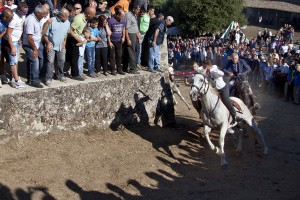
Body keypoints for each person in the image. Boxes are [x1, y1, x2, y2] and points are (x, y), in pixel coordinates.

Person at [195, 60, 237, 124]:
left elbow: (222, 73)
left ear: (206, 66)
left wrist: (212, 71)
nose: (202, 67)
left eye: (204, 66)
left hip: (222, 89)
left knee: (226, 100)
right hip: (213, 90)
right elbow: (198, 69)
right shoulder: (204, 69)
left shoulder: (214, 70)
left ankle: (234, 115)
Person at [2, 3, 27, 88]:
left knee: (15, 61)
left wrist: (20, 37)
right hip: (12, 42)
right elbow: (9, 34)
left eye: (26, 11)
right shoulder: (13, 19)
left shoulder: (21, 14)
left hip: (17, 40)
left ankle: (15, 78)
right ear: (19, 10)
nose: (25, 13)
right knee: (13, 62)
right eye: (23, 11)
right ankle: (16, 81)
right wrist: (12, 47)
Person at [22, 4, 48, 88]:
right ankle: (34, 81)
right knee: (35, 61)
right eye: (43, 14)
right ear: (38, 13)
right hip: (29, 45)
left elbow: (39, 34)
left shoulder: (38, 19)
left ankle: (30, 79)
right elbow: (29, 37)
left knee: (31, 62)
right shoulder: (30, 20)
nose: (44, 17)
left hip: (35, 44)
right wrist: (35, 49)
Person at [43, 8, 70, 83]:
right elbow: (45, 35)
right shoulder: (51, 21)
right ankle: (48, 78)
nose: (68, 18)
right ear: (61, 15)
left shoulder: (67, 22)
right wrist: (47, 43)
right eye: (66, 16)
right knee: (50, 61)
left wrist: (64, 41)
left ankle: (60, 75)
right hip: (51, 44)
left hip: (61, 45)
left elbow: (66, 33)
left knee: (61, 60)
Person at [68, 6, 96, 80]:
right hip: (73, 38)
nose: (94, 16)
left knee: (76, 56)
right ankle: (75, 74)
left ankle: (76, 73)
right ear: (89, 14)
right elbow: (70, 30)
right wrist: (77, 38)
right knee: (75, 57)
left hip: (78, 38)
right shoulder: (79, 19)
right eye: (93, 14)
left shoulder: (85, 19)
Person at [107, 5, 126, 75]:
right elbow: (108, 31)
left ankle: (119, 69)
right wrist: (109, 41)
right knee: (112, 56)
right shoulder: (111, 21)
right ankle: (113, 70)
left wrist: (123, 37)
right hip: (112, 41)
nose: (123, 18)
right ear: (118, 15)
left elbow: (123, 28)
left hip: (119, 40)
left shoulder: (123, 21)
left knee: (119, 55)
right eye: (122, 16)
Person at [124, 3, 141, 74]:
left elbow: (135, 28)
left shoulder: (134, 15)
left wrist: (139, 37)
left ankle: (132, 67)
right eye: (138, 9)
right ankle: (132, 69)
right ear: (133, 9)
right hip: (130, 34)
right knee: (131, 52)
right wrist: (128, 39)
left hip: (134, 34)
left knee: (133, 51)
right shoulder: (128, 16)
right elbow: (126, 28)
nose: (139, 11)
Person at [0, 8, 14, 87]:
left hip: (5, 42)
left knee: (6, 59)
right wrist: (5, 32)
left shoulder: (8, 20)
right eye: (9, 18)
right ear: (4, 17)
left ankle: (3, 74)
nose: (10, 20)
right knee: (0, 59)